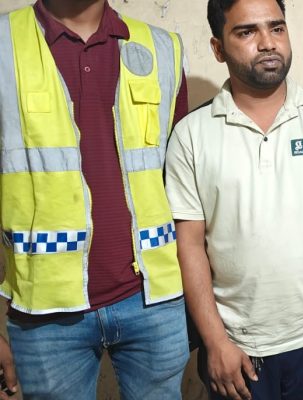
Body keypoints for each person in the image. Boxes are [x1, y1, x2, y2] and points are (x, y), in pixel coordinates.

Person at [164, 0, 303, 399]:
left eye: (276, 28)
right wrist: (215, 342)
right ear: (218, 48)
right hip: (237, 348)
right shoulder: (191, 135)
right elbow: (189, 245)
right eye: (247, 32)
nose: (267, 42)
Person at [0, 0, 190, 399]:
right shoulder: (5, 44)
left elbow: (186, 188)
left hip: (155, 299)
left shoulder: (162, 48)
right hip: (44, 311)